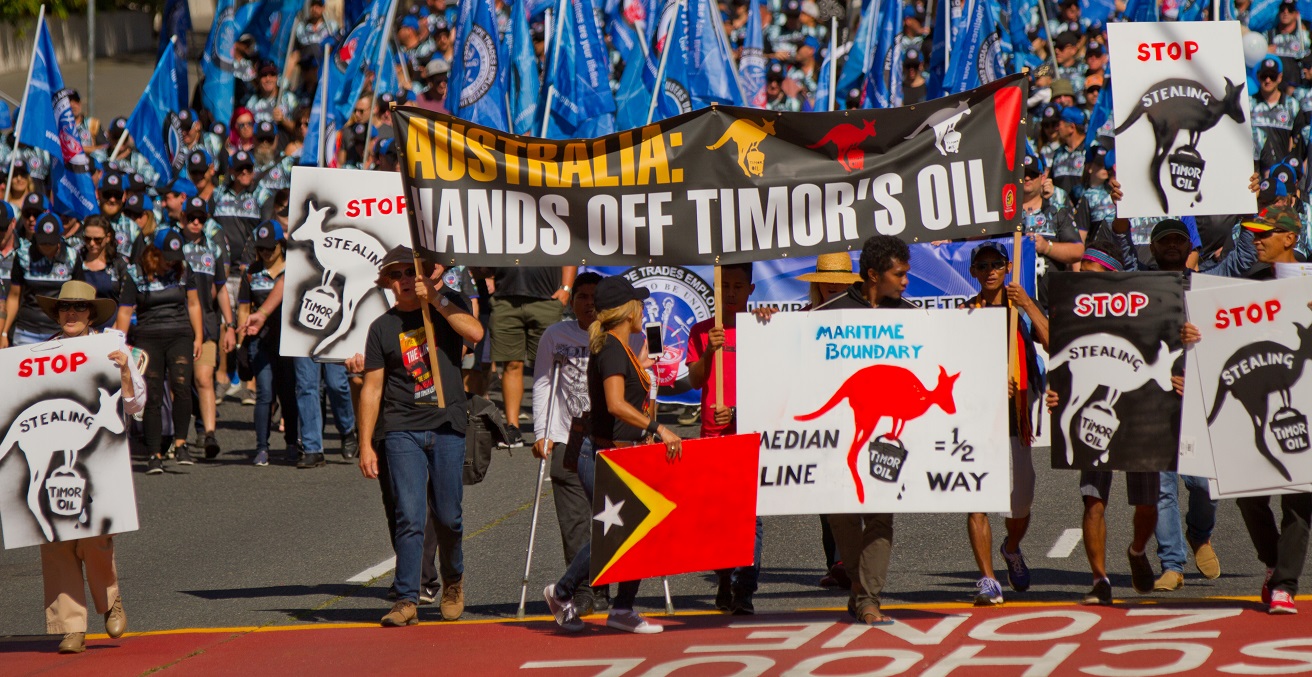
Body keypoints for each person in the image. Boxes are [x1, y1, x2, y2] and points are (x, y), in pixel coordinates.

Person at [1180, 204, 1310, 614]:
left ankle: (1285, 585)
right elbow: (1208, 323)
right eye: (1252, 234)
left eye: (1264, 234)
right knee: (1249, 494)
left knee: (1301, 498)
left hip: (1303, 407)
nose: (1256, 241)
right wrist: (1191, 333)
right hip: (1253, 402)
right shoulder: (1243, 282)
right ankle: (1273, 563)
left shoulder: (1310, 282)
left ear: (1290, 238)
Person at [543, 275, 680, 634]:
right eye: (640, 304)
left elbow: (625, 391)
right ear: (627, 310)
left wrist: (643, 368)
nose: (644, 309)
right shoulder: (611, 349)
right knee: (615, 529)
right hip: (604, 452)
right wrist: (658, 429)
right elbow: (616, 404)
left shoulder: (618, 348)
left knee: (632, 528)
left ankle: (622, 609)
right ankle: (561, 592)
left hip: (622, 451)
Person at [358, 246, 483, 627]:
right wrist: (365, 443)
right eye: (396, 276)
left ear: (427, 275)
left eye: (411, 273)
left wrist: (440, 300)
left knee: (449, 516)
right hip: (402, 428)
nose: (405, 281)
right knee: (409, 515)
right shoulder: (382, 327)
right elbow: (372, 389)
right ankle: (406, 599)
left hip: (447, 425)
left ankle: (453, 581)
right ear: (389, 284)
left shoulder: (449, 306)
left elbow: (476, 334)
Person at [1044, 242, 1161, 605]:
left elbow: (1163, 351)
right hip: (1092, 419)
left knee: (1147, 504)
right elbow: (1058, 356)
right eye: (1081, 275)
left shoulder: (1144, 312)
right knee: (1093, 501)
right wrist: (1055, 394)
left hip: (1137, 417)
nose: (1083, 283)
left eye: (1091, 277)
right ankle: (1100, 579)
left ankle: (1138, 550)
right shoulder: (1074, 316)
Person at [31, 281, 144, 654]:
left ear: (91, 313)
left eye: (79, 308)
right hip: (51, 455)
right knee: (56, 541)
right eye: (65, 308)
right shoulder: (37, 355)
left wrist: (126, 370)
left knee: (95, 538)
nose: (72, 314)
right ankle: (71, 627)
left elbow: (136, 407)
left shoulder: (110, 348)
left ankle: (110, 599)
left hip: (97, 456)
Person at [812, 235, 916, 625]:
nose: (905, 282)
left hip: (889, 435)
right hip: (839, 434)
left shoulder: (910, 315)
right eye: (899, 274)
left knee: (879, 516)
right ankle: (859, 588)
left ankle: (868, 597)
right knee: (840, 515)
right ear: (873, 275)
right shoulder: (829, 314)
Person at [962, 242, 1049, 606]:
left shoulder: (1021, 309)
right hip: (979, 413)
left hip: (1017, 413)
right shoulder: (966, 313)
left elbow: (1054, 340)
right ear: (974, 273)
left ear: (1008, 266)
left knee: (1022, 493)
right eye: (982, 266)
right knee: (977, 495)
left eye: (996, 264)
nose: (990, 271)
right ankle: (987, 578)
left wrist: (1027, 302)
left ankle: (1011, 547)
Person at [531, 272, 620, 614]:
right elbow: (541, 383)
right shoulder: (556, 335)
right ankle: (582, 590)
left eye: (595, 297)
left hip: (607, 441)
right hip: (567, 437)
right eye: (581, 296)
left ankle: (602, 587)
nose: (589, 303)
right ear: (571, 301)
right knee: (574, 523)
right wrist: (543, 433)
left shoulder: (615, 336)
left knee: (610, 518)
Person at [686, 263, 763, 614]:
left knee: (751, 516)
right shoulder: (703, 331)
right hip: (713, 435)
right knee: (719, 515)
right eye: (725, 286)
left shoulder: (762, 327)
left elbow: (774, 381)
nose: (731, 293)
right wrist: (708, 352)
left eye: (738, 286)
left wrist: (735, 412)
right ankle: (722, 578)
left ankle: (745, 590)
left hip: (751, 433)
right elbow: (696, 380)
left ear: (750, 289)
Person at [796, 252, 862, 588]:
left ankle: (852, 561)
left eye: (839, 283)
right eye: (827, 282)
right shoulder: (804, 318)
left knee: (855, 487)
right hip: (822, 415)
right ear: (818, 283)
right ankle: (837, 561)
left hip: (859, 414)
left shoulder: (866, 317)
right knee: (826, 490)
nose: (832, 288)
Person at [123, 228, 203, 473]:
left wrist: (199, 336)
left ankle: (181, 444)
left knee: (181, 385)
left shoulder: (184, 269)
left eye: (175, 255)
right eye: (167, 255)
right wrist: (120, 343)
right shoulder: (136, 273)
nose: (171, 260)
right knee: (153, 394)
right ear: (154, 252)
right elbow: (125, 310)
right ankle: (154, 453)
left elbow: (193, 303)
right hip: (148, 336)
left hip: (180, 334)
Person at [489, 266, 576, 446]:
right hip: (505, 298)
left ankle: (552, 427)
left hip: (547, 299)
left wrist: (566, 288)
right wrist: (487, 276)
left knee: (549, 367)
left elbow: (568, 251)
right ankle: (513, 427)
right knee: (511, 364)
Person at [177, 198, 237, 459]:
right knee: (180, 382)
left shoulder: (213, 248)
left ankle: (209, 433)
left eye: (201, 218)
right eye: (192, 217)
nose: (196, 223)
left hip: (209, 322)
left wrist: (230, 324)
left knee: (203, 379)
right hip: (178, 322)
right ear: (183, 218)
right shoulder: (173, 244)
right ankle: (177, 435)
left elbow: (221, 287)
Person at [238, 221, 299, 467]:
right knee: (264, 394)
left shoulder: (294, 271)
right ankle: (262, 447)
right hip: (260, 343)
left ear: (280, 246)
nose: (265, 253)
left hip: (289, 343)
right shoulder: (251, 272)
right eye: (261, 248)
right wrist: (241, 337)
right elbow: (243, 309)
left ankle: (292, 443)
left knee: (288, 393)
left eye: (269, 248)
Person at [2, 213, 81, 347]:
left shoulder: (72, 257)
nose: (46, 247)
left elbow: (80, 297)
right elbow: (14, 296)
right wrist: (4, 333)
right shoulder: (22, 256)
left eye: (51, 243)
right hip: (26, 331)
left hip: (60, 332)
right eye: (42, 242)